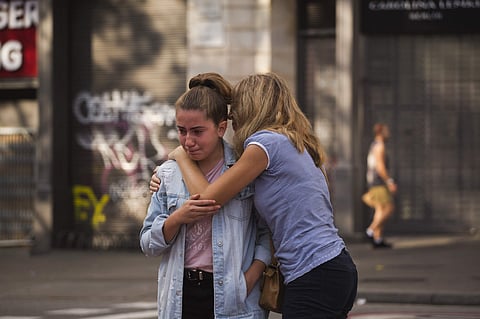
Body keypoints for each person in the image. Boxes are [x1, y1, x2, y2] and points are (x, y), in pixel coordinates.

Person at [153, 72, 358, 319]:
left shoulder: (265, 144)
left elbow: (207, 198)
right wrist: (164, 176)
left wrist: (181, 156)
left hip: (313, 272)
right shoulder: (295, 143)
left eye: (236, 111)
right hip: (332, 266)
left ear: (251, 108)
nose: (234, 120)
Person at [140, 72, 271, 319]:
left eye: (197, 131)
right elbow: (148, 244)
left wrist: (251, 276)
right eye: (181, 131)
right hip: (180, 296)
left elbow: (266, 231)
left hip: (234, 298)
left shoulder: (243, 170)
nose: (188, 141)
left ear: (221, 128)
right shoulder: (168, 174)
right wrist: (177, 218)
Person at [362, 123, 397, 249]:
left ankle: (377, 239)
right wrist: (389, 181)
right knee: (389, 208)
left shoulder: (374, 145)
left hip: (375, 182)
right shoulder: (380, 146)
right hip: (378, 183)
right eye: (386, 131)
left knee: (380, 210)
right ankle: (370, 231)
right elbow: (380, 167)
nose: (388, 133)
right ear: (381, 132)